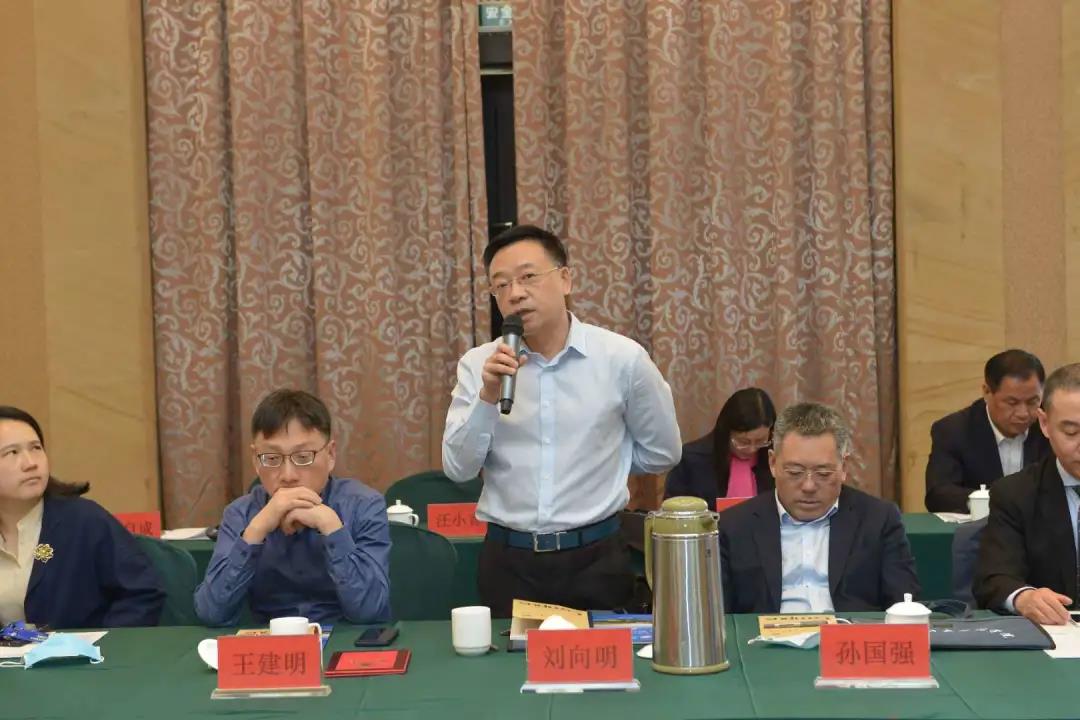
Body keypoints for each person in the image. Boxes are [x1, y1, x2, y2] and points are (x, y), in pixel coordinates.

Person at [442, 224, 682, 617]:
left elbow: (663, 452)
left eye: (528, 277)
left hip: (597, 558)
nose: (515, 294)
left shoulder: (622, 359)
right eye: (501, 285)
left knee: (601, 658)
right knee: (510, 659)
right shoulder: (478, 364)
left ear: (566, 279)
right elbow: (459, 468)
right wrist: (487, 396)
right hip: (509, 562)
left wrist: (603, 462)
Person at [195, 389, 391, 626]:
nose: (288, 475)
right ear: (256, 459)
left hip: (345, 638)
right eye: (272, 458)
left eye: (303, 457)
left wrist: (331, 526)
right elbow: (212, 612)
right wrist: (256, 530)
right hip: (272, 642)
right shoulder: (240, 513)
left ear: (330, 454)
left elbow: (370, 610)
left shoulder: (363, 505)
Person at [716, 402, 919, 613]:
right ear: (773, 463)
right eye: (795, 472)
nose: (809, 486)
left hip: (847, 632)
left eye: (823, 474)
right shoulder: (733, 526)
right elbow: (718, 615)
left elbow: (904, 604)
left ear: (844, 467)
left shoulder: (879, 519)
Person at [0, 406, 164, 628]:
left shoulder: (84, 521)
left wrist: (102, 642)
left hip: (85, 650)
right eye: (12, 453)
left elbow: (143, 593)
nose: (31, 463)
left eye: (36, 448)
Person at [974, 363, 1080, 625]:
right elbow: (995, 578)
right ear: (1044, 423)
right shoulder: (1016, 494)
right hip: (1056, 634)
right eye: (1071, 432)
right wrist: (1024, 597)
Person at [925, 349, 1051, 512]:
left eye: (1032, 402)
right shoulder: (953, 430)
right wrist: (994, 501)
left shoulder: (1052, 425)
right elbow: (938, 494)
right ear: (986, 392)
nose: (1023, 413)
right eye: (1012, 402)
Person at [664, 387, 776, 509]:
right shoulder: (691, 460)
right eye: (743, 442)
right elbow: (673, 511)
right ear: (726, 432)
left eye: (760, 441)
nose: (752, 449)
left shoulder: (775, 458)